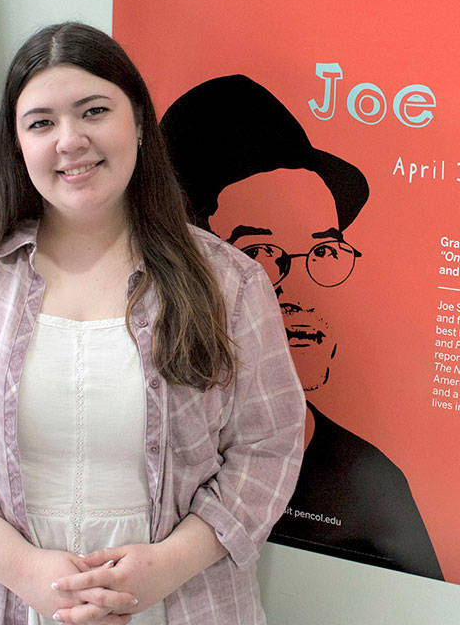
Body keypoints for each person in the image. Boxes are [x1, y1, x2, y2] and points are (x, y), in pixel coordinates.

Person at [0, 23, 305, 625]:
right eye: (41, 122)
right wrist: (23, 570)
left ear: (137, 122)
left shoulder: (228, 282)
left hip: (181, 613)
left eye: (94, 111)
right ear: (16, 144)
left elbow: (269, 447)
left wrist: (170, 564)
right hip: (0, 614)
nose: (70, 141)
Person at [160, 74, 444, 580]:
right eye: (259, 254)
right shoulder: (146, 445)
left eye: (323, 252)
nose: (297, 291)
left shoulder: (368, 481)